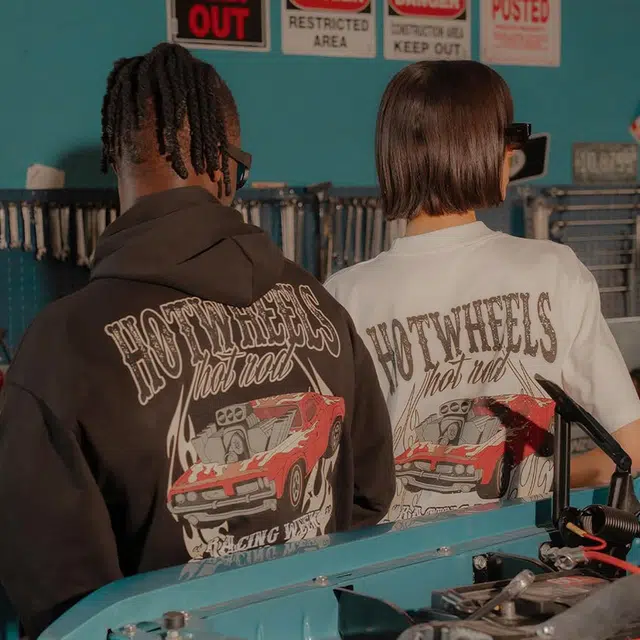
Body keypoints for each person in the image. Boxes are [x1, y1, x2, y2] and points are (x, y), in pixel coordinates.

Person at [0, 43, 394, 637]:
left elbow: (60, 599)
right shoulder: (322, 308)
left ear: (118, 162)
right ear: (228, 169)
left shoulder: (60, 348)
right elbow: (368, 501)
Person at [325, 60, 640, 524]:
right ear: (484, 148)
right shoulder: (554, 271)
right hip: (527, 551)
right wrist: (541, 480)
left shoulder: (343, 296)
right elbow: (630, 449)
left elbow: (333, 479)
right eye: (508, 137)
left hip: (394, 558)